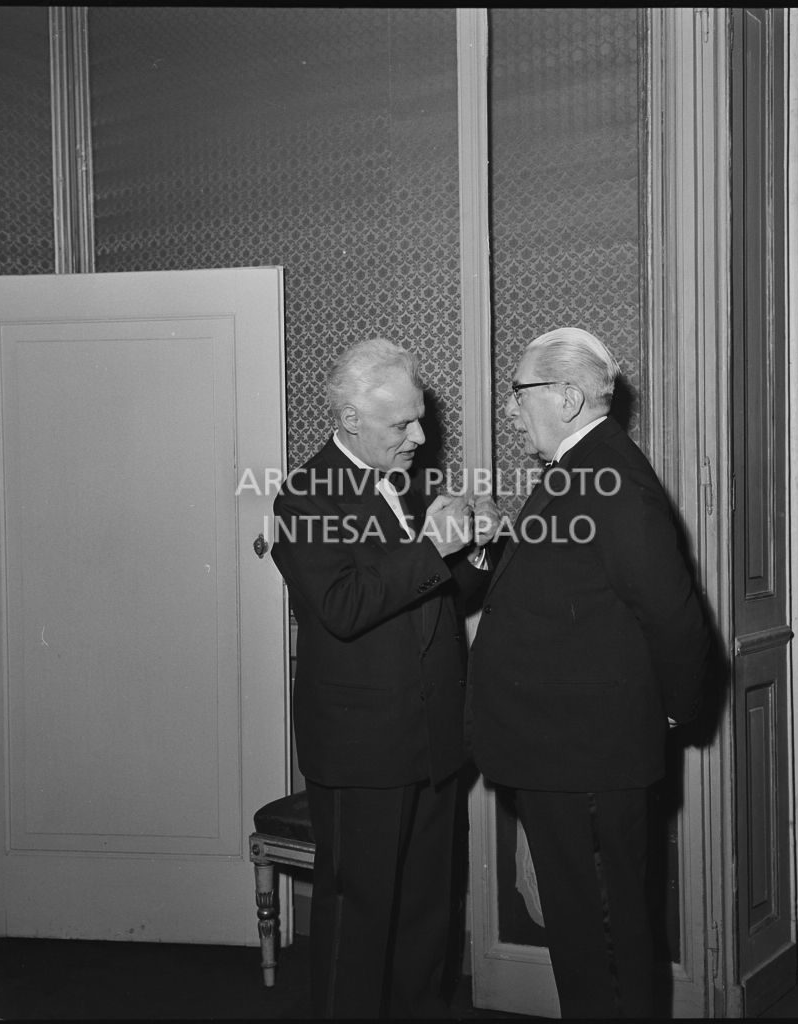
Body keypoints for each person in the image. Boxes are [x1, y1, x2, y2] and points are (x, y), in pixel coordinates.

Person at [468, 327, 711, 1018]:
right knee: (583, 936)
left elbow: (673, 616)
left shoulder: (611, 477)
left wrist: (668, 710)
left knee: (602, 938)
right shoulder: (581, 469)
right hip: (566, 753)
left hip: (590, 757)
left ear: (568, 396)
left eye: (520, 394)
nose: (512, 409)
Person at [269, 337, 494, 1018]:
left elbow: (440, 597)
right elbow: (344, 608)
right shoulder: (305, 497)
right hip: (363, 746)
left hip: (432, 735)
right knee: (360, 914)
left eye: (420, 419)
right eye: (403, 425)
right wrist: (434, 546)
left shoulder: (403, 485)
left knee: (428, 907)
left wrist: (477, 549)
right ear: (350, 424)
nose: (421, 437)